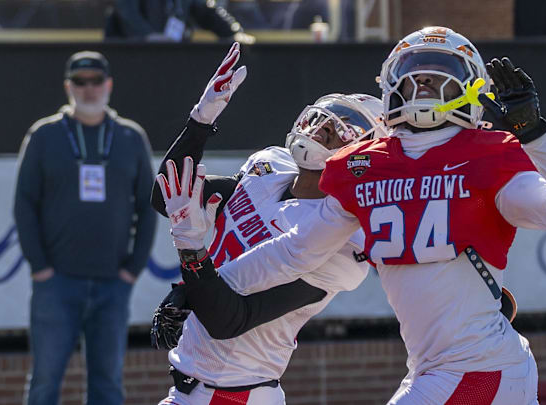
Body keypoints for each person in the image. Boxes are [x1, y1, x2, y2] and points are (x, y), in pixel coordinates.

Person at [160, 27, 546, 404]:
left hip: (477, 365)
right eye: (416, 74)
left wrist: (536, 137)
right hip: (433, 368)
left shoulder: (485, 154)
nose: (425, 84)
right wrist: (194, 284)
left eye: (438, 75)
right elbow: (293, 251)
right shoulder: (364, 167)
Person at [150, 43, 386, 404]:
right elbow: (166, 196)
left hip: (232, 394)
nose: (323, 128)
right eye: (323, 117)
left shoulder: (339, 240)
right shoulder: (268, 169)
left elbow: (228, 320)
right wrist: (201, 120)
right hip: (199, 388)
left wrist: (191, 252)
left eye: (345, 128)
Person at [14, 51, 155, 405]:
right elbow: (24, 205)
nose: (89, 89)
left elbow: (148, 207)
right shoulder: (44, 135)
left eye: (96, 81)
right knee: (45, 382)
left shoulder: (129, 137)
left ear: (108, 85)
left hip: (112, 285)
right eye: (80, 82)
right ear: (68, 87)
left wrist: (132, 271)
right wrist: (40, 268)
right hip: (56, 284)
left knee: (107, 384)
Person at [104, 0, 255, 44]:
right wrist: (149, 36)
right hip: (135, 57)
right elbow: (127, 13)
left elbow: (205, 11)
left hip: (174, 57)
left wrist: (234, 33)